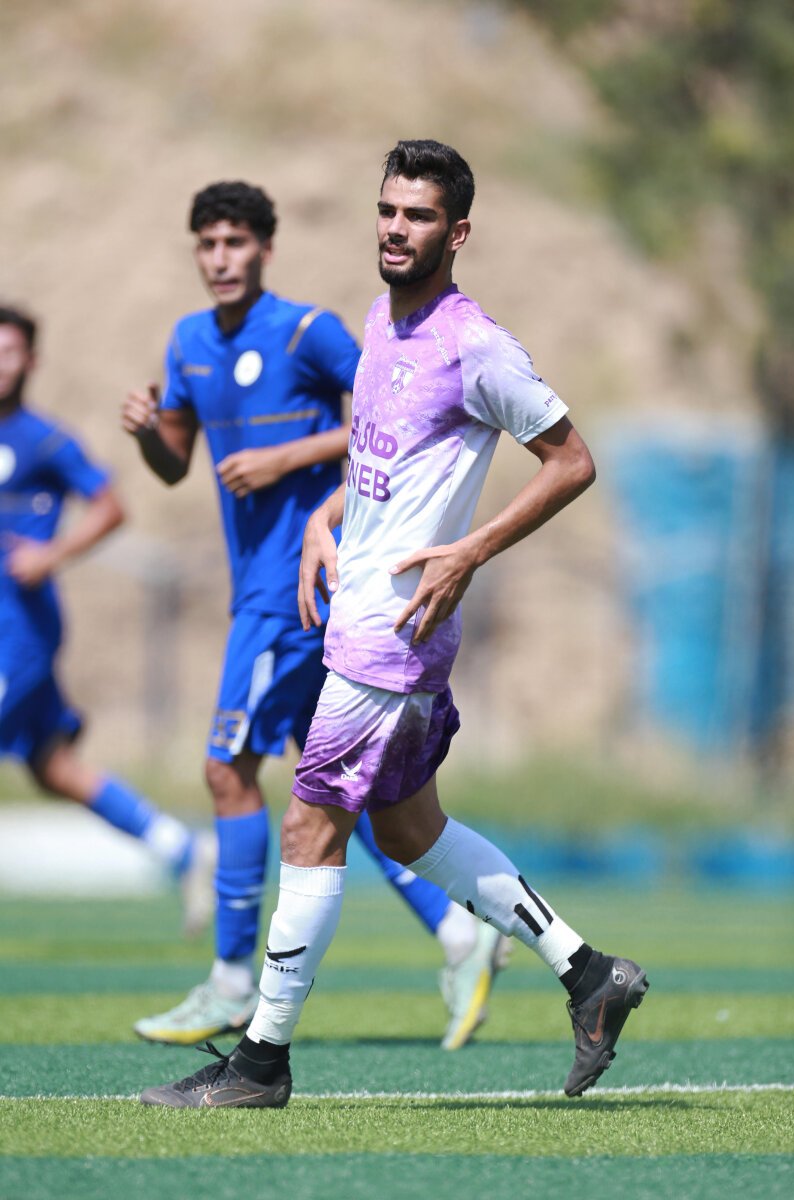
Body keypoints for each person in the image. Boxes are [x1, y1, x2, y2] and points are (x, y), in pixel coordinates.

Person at [139, 141, 649, 1111]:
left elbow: (571, 461)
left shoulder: (475, 345)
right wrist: (327, 516)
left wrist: (470, 552)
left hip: (392, 632)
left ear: (457, 233)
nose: (395, 229)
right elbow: (381, 459)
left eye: (417, 216)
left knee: (308, 824)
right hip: (366, 618)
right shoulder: (379, 318)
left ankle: (259, 1064)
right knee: (410, 830)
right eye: (387, 210)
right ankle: (589, 974)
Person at [122, 180, 506, 1050]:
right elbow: (174, 463)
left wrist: (288, 457)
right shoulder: (188, 342)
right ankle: (460, 933)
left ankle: (230, 981)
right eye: (208, 244)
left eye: (237, 242)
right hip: (255, 584)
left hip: (297, 590)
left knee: (227, 769)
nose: (222, 259)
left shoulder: (308, 332)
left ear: (266, 248)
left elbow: (384, 421)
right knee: (334, 792)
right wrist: (148, 429)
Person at [0, 305, 214, 929]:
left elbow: (110, 506)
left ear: (31, 362)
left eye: (10, 352)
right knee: (53, 768)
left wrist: (51, 554)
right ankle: (181, 849)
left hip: (20, 630)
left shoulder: (43, 440)